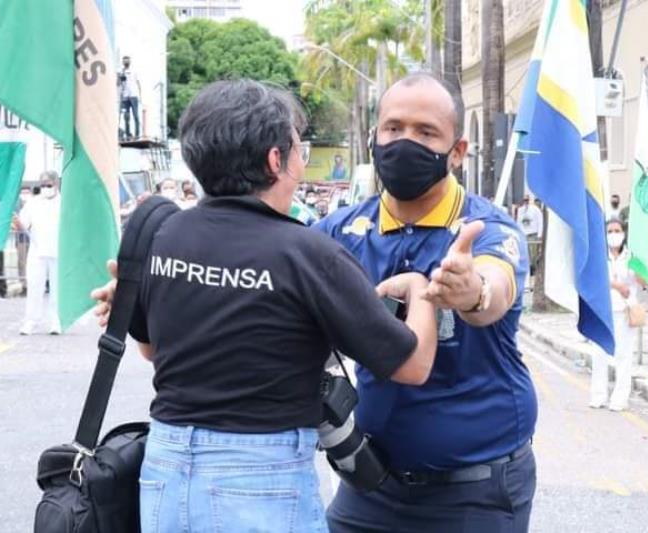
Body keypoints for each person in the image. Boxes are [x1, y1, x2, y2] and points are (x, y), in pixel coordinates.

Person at [91, 79, 439, 532]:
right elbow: (411, 365)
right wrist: (421, 293)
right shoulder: (307, 254)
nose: (301, 157)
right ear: (277, 160)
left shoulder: (163, 236)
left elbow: (153, 351)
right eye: (299, 147)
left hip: (165, 473)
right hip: (259, 478)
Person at [316, 73, 536, 532]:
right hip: (369, 486)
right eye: (393, 128)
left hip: (475, 494)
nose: (404, 142)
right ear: (373, 138)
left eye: (426, 132)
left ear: (458, 152)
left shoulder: (487, 230)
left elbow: (495, 290)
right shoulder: (338, 233)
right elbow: (268, 286)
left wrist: (471, 292)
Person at [589, 218, 641, 411]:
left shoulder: (632, 256)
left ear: (624, 233)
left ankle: (620, 397)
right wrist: (617, 285)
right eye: (610, 231)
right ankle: (598, 395)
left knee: (623, 355)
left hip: (625, 311)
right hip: (602, 310)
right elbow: (595, 278)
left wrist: (639, 269)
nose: (614, 235)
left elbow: (643, 282)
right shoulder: (599, 256)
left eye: (617, 231)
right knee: (599, 353)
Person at [16, 172, 61, 335]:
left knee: (57, 289)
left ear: (56, 185)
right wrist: (17, 222)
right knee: (35, 287)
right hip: (37, 251)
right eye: (42, 185)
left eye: (48, 185)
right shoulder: (32, 203)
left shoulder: (65, 203)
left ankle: (56, 321)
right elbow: (23, 224)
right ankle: (31, 322)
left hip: (58, 251)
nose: (45, 188)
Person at [14, 186, 32, 295]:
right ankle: (24, 284)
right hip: (21, 238)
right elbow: (15, 219)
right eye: (23, 192)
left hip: (34, 239)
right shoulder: (17, 204)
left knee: (33, 262)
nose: (25, 195)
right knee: (22, 261)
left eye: (27, 192)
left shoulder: (35, 203)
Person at [118, 55, 141, 139]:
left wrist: (140, 96)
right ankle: (128, 134)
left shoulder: (134, 71)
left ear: (130, 62)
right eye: (124, 61)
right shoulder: (121, 71)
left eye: (127, 61)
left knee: (135, 115)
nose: (126, 62)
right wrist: (120, 77)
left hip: (133, 95)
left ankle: (137, 134)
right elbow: (118, 84)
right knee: (126, 116)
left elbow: (138, 83)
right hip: (125, 96)